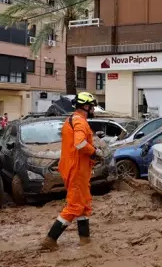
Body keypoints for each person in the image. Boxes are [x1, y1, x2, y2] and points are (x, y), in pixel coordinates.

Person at [41, 92, 104, 251]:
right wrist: (95, 152)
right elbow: (80, 144)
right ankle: (50, 240)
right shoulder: (80, 122)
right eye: (92, 106)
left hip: (75, 168)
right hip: (76, 169)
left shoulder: (73, 120)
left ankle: (85, 239)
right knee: (75, 205)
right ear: (86, 106)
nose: (93, 109)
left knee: (83, 204)